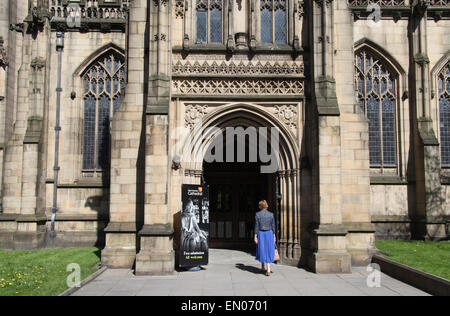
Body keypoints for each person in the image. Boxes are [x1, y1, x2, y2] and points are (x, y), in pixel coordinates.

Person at [254, 200, 276, 276]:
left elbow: (256, 226)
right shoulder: (271, 214)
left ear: (260, 206)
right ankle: (268, 269)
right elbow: (273, 226)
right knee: (268, 249)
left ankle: (263, 267)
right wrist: (274, 235)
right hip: (269, 233)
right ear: (266, 205)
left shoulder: (257, 214)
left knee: (262, 249)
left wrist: (255, 236)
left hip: (261, 233)